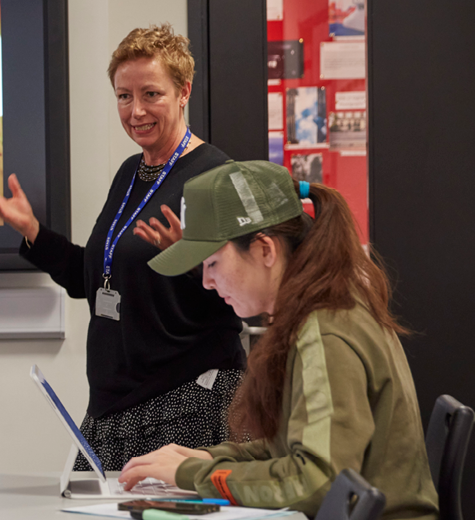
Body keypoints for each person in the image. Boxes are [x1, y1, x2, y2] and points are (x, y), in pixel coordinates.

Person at [0, 24, 246, 471]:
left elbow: (243, 291)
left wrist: (193, 258)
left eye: (151, 94)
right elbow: (98, 277)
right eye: (124, 96)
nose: (136, 110)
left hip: (185, 404)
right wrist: (33, 232)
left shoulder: (216, 176)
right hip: (113, 409)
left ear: (184, 91)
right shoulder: (130, 173)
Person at [120, 162, 438, 520]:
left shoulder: (324, 332)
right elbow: (297, 446)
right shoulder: (328, 303)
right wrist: (211, 459)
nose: (207, 283)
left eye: (212, 263)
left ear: (265, 250)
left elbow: (317, 481)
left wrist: (193, 475)